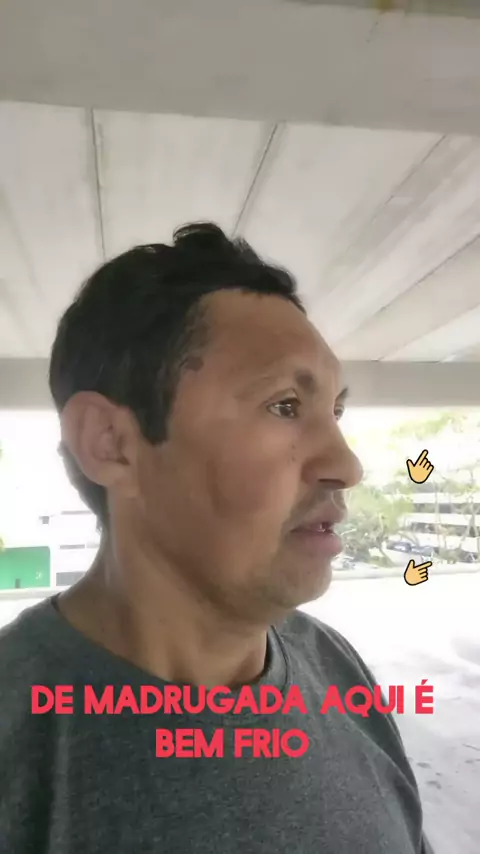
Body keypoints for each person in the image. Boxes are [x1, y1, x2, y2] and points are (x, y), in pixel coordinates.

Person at [0, 223, 433, 853]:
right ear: (111, 444)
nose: (347, 465)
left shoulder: (337, 668)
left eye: (334, 412)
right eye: (285, 405)